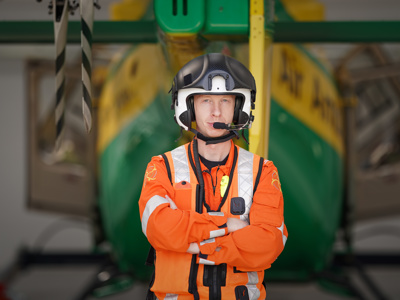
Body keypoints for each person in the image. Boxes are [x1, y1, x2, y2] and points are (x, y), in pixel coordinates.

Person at [139, 53, 288, 300]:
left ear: (239, 107)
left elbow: (268, 244)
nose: (216, 112)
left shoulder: (263, 172)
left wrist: (200, 246)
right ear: (189, 106)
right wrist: (228, 225)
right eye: (206, 100)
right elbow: (157, 226)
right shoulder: (162, 167)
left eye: (226, 101)